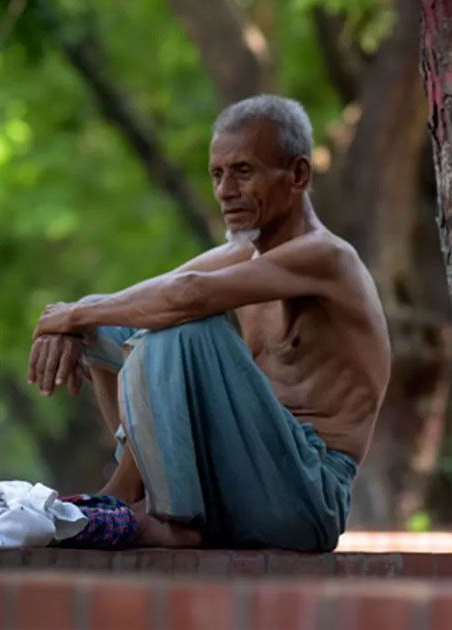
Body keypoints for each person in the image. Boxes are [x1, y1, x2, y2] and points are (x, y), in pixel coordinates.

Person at [27, 95, 391, 551]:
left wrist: (73, 313)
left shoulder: (328, 258)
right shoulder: (245, 252)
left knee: (186, 328)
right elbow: (149, 297)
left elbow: (188, 296)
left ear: (298, 175)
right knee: (113, 328)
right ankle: (140, 493)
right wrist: (72, 322)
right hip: (239, 482)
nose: (224, 191)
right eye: (217, 175)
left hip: (309, 495)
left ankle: (143, 508)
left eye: (243, 171)